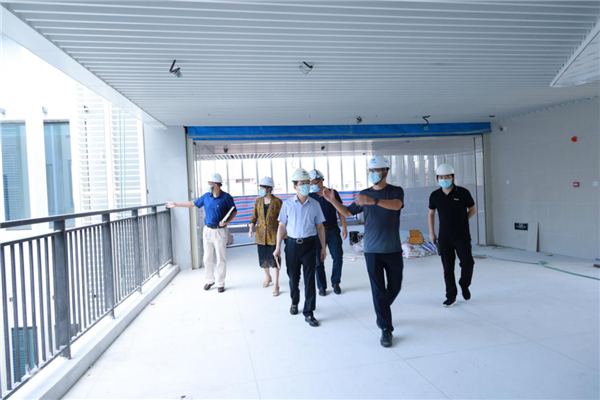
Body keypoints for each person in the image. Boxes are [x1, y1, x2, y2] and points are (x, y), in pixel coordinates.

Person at [323, 156, 404, 348]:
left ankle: (382, 310)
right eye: (370, 171)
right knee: (378, 290)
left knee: (395, 287)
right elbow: (348, 212)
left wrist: (373, 201)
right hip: (372, 250)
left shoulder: (395, 191)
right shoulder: (364, 194)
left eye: (376, 171)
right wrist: (333, 201)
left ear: (385, 171)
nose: (372, 174)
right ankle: (386, 329)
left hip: (392, 248)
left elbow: (397, 205)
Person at [166, 173, 237, 293]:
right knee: (207, 258)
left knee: (221, 259)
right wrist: (176, 204)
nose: (208, 185)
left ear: (216, 185)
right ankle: (210, 280)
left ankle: (221, 283)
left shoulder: (226, 197)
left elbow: (234, 211)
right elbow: (192, 204)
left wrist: (226, 221)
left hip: (220, 232)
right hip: (207, 231)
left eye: (210, 183)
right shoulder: (206, 196)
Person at [274, 168, 327, 327]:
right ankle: (294, 301)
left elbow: (320, 227)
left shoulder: (315, 204)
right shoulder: (287, 205)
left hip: (310, 245)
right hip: (292, 246)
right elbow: (281, 226)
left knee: (310, 279)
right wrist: (277, 247)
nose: (305, 186)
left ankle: (309, 312)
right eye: (302, 183)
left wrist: (323, 248)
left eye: (307, 183)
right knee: (293, 277)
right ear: (295, 187)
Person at [428, 163, 477, 307]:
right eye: (441, 177)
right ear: (437, 178)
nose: (444, 179)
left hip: (462, 236)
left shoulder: (463, 193)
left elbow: (473, 209)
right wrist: (432, 233)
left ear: (453, 177)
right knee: (448, 268)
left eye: (447, 177)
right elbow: (431, 214)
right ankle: (451, 295)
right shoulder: (435, 195)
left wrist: (463, 220)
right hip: (444, 237)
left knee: (468, 263)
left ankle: (464, 284)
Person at [308, 169, 347, 296]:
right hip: (317, 232)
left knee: (338, 257)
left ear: (321, 181)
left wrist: (344, 227)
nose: (312, 185)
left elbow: (340, 210)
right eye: (310, 183)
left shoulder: (332, 193)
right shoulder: (310, 196)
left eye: (314, 182)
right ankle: (321, 286)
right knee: (318, 260)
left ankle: (335, 282)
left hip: (332, 230)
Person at [249, 176, 283, 296]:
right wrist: (251, 229)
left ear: (269, 188)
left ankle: (276, 284)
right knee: (264, 259)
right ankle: (268, 277)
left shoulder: (278, 202)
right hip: (261, 236)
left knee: (275, 260)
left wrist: (284, 234)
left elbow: (282, 220)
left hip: (273, 236)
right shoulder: (258, 201)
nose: (260, 190)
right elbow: (254, 217)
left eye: (262, 187)